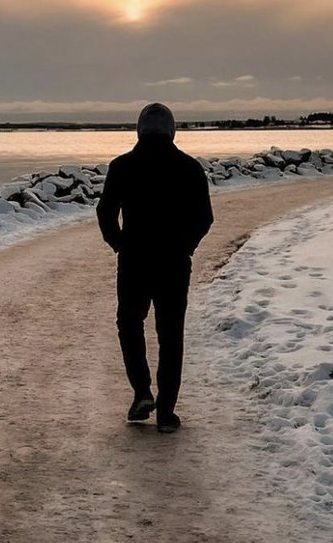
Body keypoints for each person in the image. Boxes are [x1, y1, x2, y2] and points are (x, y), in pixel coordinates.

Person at [96, 102, 213, 433]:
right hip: (174, 263)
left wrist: (119, 244)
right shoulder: (189, 168)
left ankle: (142, 393)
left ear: (140, 130)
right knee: (171, 335)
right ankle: (166, 415)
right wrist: (185, 246)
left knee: (130, 325)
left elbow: (105, 212)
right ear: (172, 131)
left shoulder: (122, 167)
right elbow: (204, 218)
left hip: (134, 260)